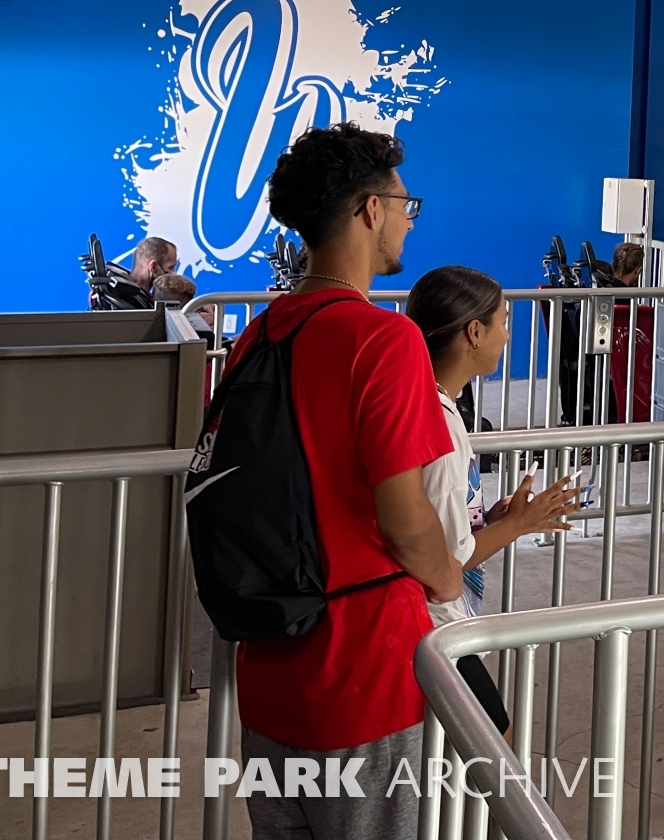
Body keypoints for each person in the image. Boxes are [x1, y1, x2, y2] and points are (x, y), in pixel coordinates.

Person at [227, 122, 461, 840]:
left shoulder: (258, 335)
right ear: (369, 210)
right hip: (364, 671)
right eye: (404, 205)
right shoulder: (384, 340)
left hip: (270, 663)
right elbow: (406, 521)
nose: (408, 221)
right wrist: (448, 578)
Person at [406, 266, 583, 739]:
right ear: (474, 332)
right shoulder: (441, 425)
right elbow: (448, 558)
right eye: (503, 322)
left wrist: (492, 519)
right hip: (435, 626)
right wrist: (518, 524)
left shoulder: (424, 402)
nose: (507, 336)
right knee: (495, 753)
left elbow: (435, 519)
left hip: (432, 621)